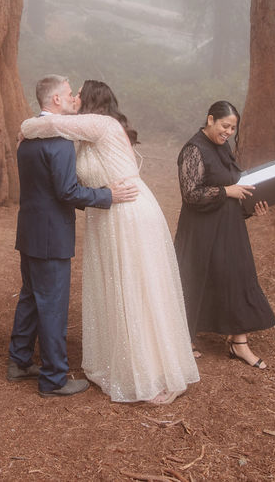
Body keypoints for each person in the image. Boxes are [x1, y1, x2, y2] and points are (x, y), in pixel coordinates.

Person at [20, 80, 200, 404]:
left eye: (78, 95)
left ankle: (150, 372)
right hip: (108, 214)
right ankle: (123, 361)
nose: (73, 98)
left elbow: (48, 122)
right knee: (116, 289)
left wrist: (26, 129)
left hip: (128, 212)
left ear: (89, 102)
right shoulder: (86, 135)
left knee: (136, 289)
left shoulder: (102, 124)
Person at [8, 75, 139, 398]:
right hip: (52, 236)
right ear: (55, 100)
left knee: (30, 297)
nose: (72, 99)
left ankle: (20, 360)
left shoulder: (28, 136)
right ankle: (53, 378)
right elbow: (67, 191)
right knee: (52, 306)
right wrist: (108, 196)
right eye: (68, 94)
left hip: (29, 231)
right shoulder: (59, 140)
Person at [174, 100, 275, 369]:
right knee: (195, 280)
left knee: (238, 277)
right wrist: (226, 192)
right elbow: (191, 194)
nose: (229, 132)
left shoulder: (224, 148)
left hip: (229, 228)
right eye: (224, 125)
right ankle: (184, 338)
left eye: (233, 128)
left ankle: (238, 342)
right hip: (201, 230)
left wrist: (253, 206)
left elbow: (236, 187)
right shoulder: (193, 149)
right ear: (210, 119)